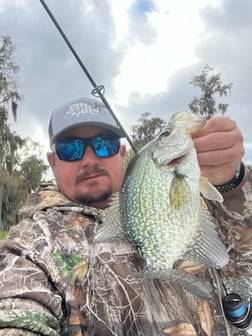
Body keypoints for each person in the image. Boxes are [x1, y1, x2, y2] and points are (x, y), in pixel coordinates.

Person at [0, 96, 251, 336]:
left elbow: (242, 263)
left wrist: (231, 183)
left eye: (103, 144)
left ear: (121, 153)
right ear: (52, 162)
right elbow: (17, 308)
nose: (89, 159)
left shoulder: (195, 206)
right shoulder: (33, 243)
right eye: (70, 148)